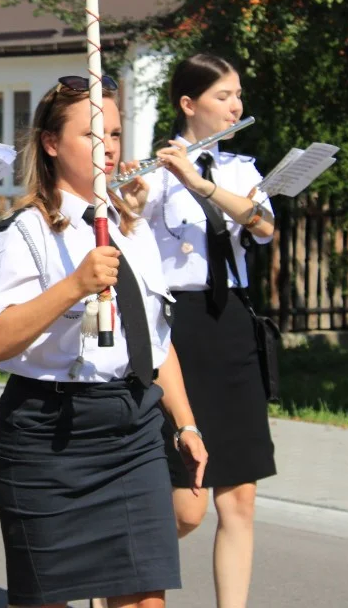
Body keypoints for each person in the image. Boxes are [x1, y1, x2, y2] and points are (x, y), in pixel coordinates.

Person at [0, 75, 208, 607]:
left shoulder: (133, 228)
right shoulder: (25, 231)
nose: (107, 146)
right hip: (48, 436)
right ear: (52, 144)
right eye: (91, 134)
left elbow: (155, 341)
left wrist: (187, 423)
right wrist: (75, 285)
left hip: (132, 434)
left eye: (115, 133)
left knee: (146, 600)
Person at [127, 53, 276, 608]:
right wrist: (141, 199)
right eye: (222, 96)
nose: (235, 105)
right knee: (187, 505)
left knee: (239, 500)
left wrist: (200, 182)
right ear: (189, 105)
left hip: (232, 325)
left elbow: (261, 227)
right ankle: (122, 577)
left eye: (238, 95)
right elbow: (130, 242)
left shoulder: (241, 171)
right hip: (176, 331)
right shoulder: (152, 171)